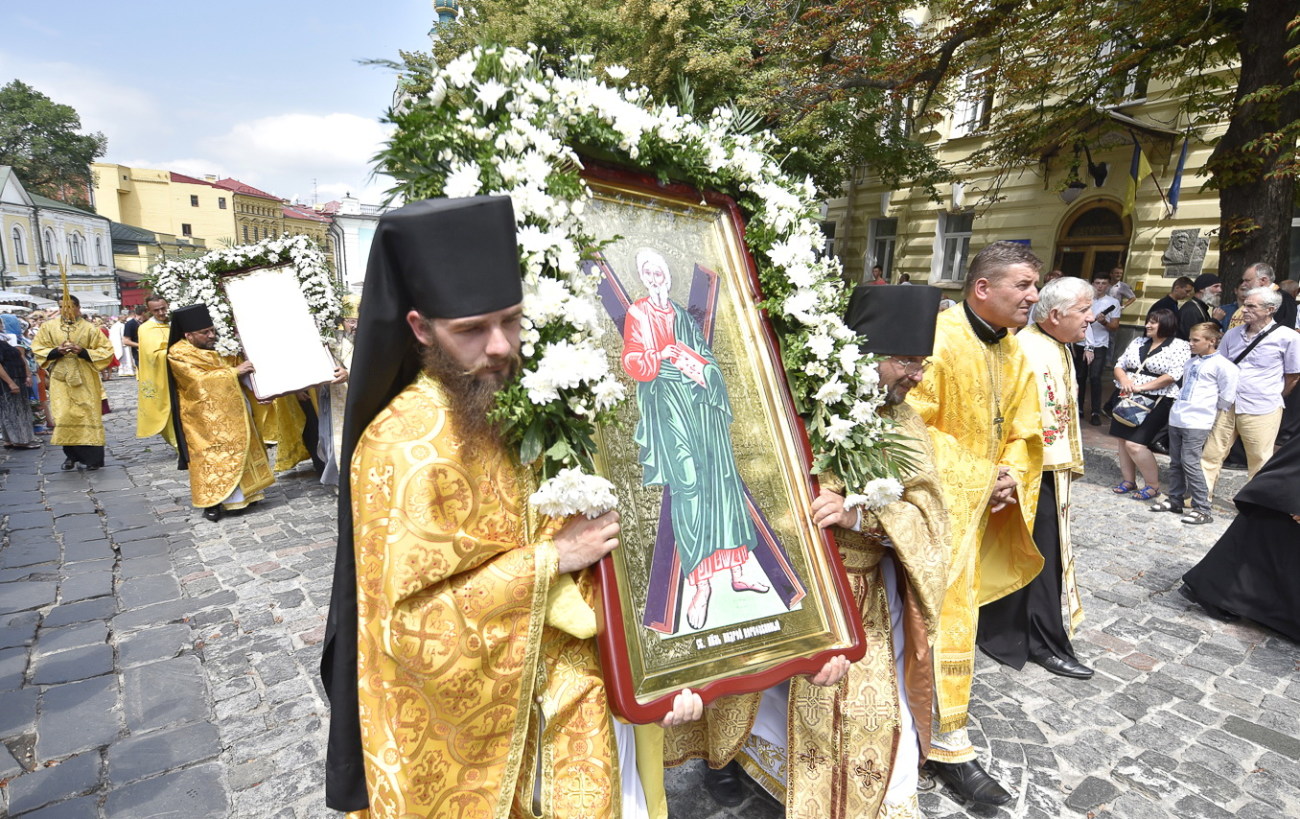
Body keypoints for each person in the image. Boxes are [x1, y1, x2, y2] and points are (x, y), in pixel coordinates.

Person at [320, 197, 701, 818]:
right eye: (470, 330)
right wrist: (552, 558)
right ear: (420, 329)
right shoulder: (401, 445)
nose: (500, 347)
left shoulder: (530, 396)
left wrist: (665, 657)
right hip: (490, 738)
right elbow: (409, 626)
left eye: (512, 321)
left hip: (584, 696)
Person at [676, 285, 949, 819]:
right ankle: (725, 759)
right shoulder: (794, 407)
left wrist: (861, 515)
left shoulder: (907, 424)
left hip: (861, 590)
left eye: (922, 363)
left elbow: (931, 518)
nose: (917, 376)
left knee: (853, 707)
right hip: (777, 578)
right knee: (745, 682)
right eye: (906, 362)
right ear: (862, 355)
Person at [906, 241, 1045, 806]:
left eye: (1036, 286)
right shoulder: (938, 340)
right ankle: (927, 737)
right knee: (920, 623)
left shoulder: (1015, 352)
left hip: (979, 511)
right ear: (983, 288)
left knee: (955, 622)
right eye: (1023, 285)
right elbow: (905, 424)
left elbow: (1025, 428)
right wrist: (979, 474)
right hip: (927, 511)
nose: (1032, 296)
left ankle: (945, 738)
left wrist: (1010, 471)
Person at [621, 248, 769, 631]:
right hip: (669, 406)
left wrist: (704, 370)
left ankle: (739, 570)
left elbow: (706, 356)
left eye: (660, 272)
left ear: (668, 276)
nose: (656, 278)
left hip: (701, 404)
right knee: (687, 485)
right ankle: (699, 584)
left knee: (721, 482)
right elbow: (632, 361)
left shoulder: (684, 316)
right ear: (643, 278)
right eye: (649, 273)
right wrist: (661, 353)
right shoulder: (638, 314)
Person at [978, 276, 1094, 679]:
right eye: (1083, 310)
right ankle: (1040, 640)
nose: (1090, 318)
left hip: (1047, 468)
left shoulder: (1055, 346)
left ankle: (1020, 631)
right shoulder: (1025, 347)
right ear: (1057, 314)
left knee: (1041, 551)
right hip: (1027, 469)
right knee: (1039, 553)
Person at [1180, 431, 1300, 641]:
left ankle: (1224, 596)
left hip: (1284, 497)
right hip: (1287, 495)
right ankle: (1218, 594)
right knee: (1258, 549)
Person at [166, 303, 275, 522]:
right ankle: (213, 502)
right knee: (211, 456)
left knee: (241, 449)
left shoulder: (217, 347)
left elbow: (242, 370)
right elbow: (197, 382)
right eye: (205, 332)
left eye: (212, 330)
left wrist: (261, 391)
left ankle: (247, 495)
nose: (211, 335)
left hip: (234, 409)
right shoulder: (178, 353)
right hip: (202, 418)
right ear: (188, 335)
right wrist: (234, 371)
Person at [1199, 287, 1300, 495]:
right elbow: (1222, 367)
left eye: (1251, 306)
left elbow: (1293, 375)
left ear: (1270, 309)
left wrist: (1274, 395)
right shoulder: (1232, 334)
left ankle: (1254, 507)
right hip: (1227, 404)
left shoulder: (1288, 337)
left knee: (1260, 460)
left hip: (1262, 407)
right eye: (1245, 304)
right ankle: (1200, 498)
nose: (1244, 309)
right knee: (1211, 454)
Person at [1150, 322, 1237, 525]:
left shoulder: (1224, 366)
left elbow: (1226, 396)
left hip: (1198, 421)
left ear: (1212, 341)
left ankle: (1202, 507)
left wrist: (1205, 411)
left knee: (1190, 462)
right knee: (1176, 462)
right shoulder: (1190, 363)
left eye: (1196, 340)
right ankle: (1175, 499)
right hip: (1179, 417)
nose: (1191, 344)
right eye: (1190, 339)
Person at [1107, 308, 1189, 501]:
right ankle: (1128, 481)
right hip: (1127, 396)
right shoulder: (1138, 341)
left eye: (1153, 322)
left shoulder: (1180, 346)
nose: (1147, 325)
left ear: (1166, 324)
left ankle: (1152, 486)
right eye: (1147, 321)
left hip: (1158, 399)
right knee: (1121, 438)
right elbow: (1120, 364)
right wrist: (1126, 382)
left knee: (1135, 444)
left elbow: (1172, 376)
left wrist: (1142, 388)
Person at [31, 295, 115, 470]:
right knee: (64, 416)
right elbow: (38, 348)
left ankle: (93, 459)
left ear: (78, 308)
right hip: (61, 380)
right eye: (62, 307)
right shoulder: (48, 327)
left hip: (85, 379)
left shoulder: (89, 329)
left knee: (87, 414)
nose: (65, 310)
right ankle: (71, 456)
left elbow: (106, 351)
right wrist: (56, 351)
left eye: (69, 306)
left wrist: (83, 351)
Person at [316, 294, 357, 487]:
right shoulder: (334, 339)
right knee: (335, 441)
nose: (354, 326)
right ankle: (342, 480)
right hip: (336, 397)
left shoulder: (370, 338)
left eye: (358, 321)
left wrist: (349, 373)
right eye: (350, 321)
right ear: (343, 322)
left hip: (361, 397)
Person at [1075, 272, 1120, 425]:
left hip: (1100, 345)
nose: (1100, 286)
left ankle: (1095, 412)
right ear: (1092, 284)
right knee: (1080, 377)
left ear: (1108, 285)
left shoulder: (1113, 302)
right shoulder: (1084, 301)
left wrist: (1104, 322)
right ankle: (1078, 408)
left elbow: (1114, 327)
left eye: (1103, 283)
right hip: (1081, 343)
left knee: (1095, 377)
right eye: (1097, 283)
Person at [135, 295, 176, 448]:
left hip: (179, 372)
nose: (161, 313)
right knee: (168, 410)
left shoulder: (172, 323)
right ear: (149, 311)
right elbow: (152, 354)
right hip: (161, 376)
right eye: (156, 310)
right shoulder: (145, 329)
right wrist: (177, 352)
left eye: (163, 308)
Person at [1219, 263, 1297, 332]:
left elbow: (1285, 331)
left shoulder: (1285, 300)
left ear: (1263, 280)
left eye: (1247, 280)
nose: (1243, 284)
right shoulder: (1251, 299)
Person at [0, 334, 39, 449]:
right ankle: (20, 440)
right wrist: (10, 383)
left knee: (14, 410)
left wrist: (27, 374)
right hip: (8, 381)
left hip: (17, 378)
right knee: (13, 411)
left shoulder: (9, 338)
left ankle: (11, 440)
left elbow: (21, 357)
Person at [1177, 273, 1221, 340]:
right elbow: (1196, 338)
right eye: (1216, 286)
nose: (1220, 290)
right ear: (1202, 289)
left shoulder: (1199, 307)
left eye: (1220, 287)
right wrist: (1215, 320)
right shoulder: (1191, 310)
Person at [121, 304, 146, 370]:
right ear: (143, 313)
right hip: (139, 353)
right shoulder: (130, 324)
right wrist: (141, 345)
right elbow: (126, 341)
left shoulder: (147, 322)